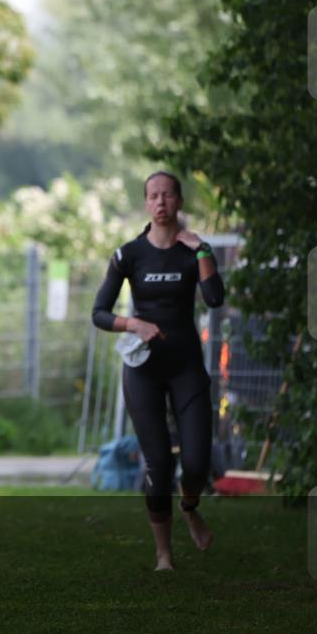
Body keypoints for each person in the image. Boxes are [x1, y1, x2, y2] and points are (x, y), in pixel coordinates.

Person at [92, 171, 225, 571]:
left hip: (186, 366)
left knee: (198, 463)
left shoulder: (194, 251)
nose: (161, 201)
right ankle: (164, 554)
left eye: (168, 194)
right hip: (143, 371)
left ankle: (189, 506)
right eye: (153, 195)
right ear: (146, 204)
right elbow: (99, 313)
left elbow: (215, 298)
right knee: (158, 466)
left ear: (179, 201)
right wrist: (133, 324)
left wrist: (202, 250)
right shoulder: (129, 254)